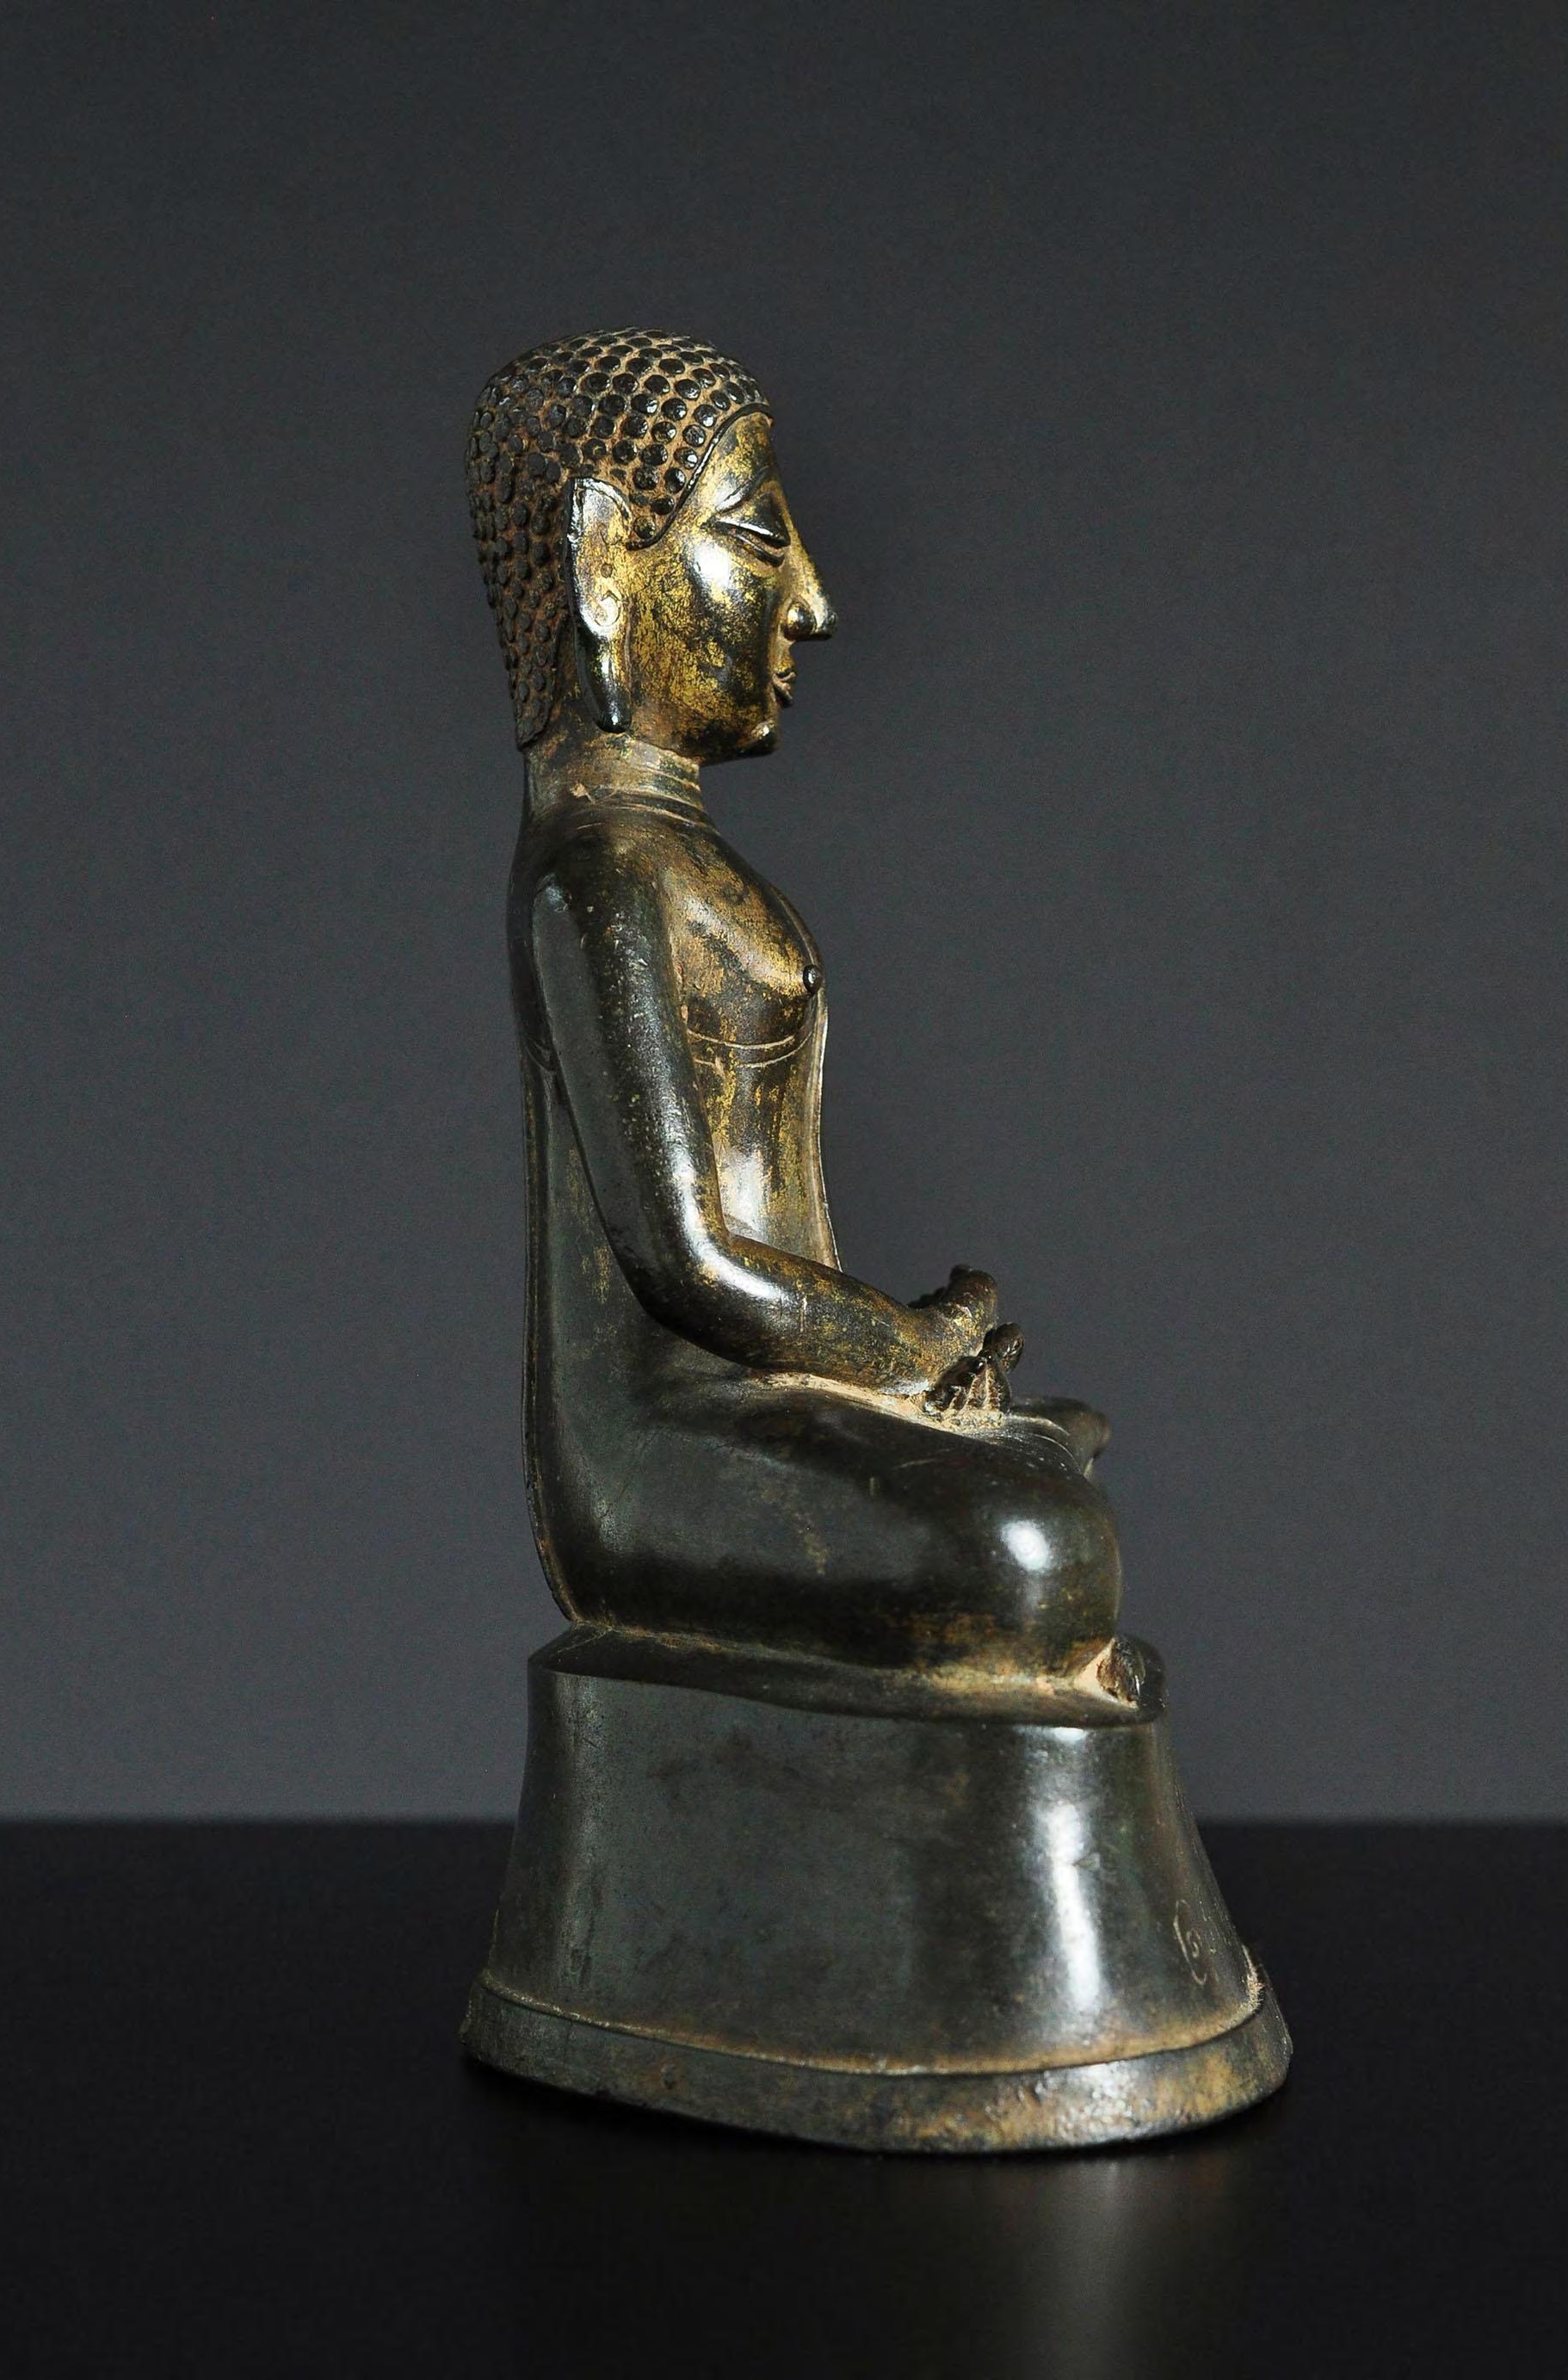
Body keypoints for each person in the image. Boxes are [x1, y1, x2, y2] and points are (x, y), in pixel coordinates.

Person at [467, 330, 1121, 1685]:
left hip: (777, 1403)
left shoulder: (670, 863)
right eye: (759, 539)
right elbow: (687, 1261)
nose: (811, 601)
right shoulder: (596, 878)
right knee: (1028, 1551)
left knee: (1046, 1500)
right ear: (604, 564)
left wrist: (909, 1376)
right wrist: (905, 1348)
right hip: (657, 1456)